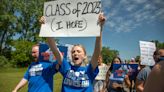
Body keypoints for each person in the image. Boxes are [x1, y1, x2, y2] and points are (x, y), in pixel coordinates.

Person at [40, 13, 106, 92]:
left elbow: (97, 51)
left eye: (78, 51)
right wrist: (46, 27)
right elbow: (54, 49)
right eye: (73, 51)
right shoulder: (66, 66)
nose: (75, 53)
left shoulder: (89, 70)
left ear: (85, 56)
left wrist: (100, 28)